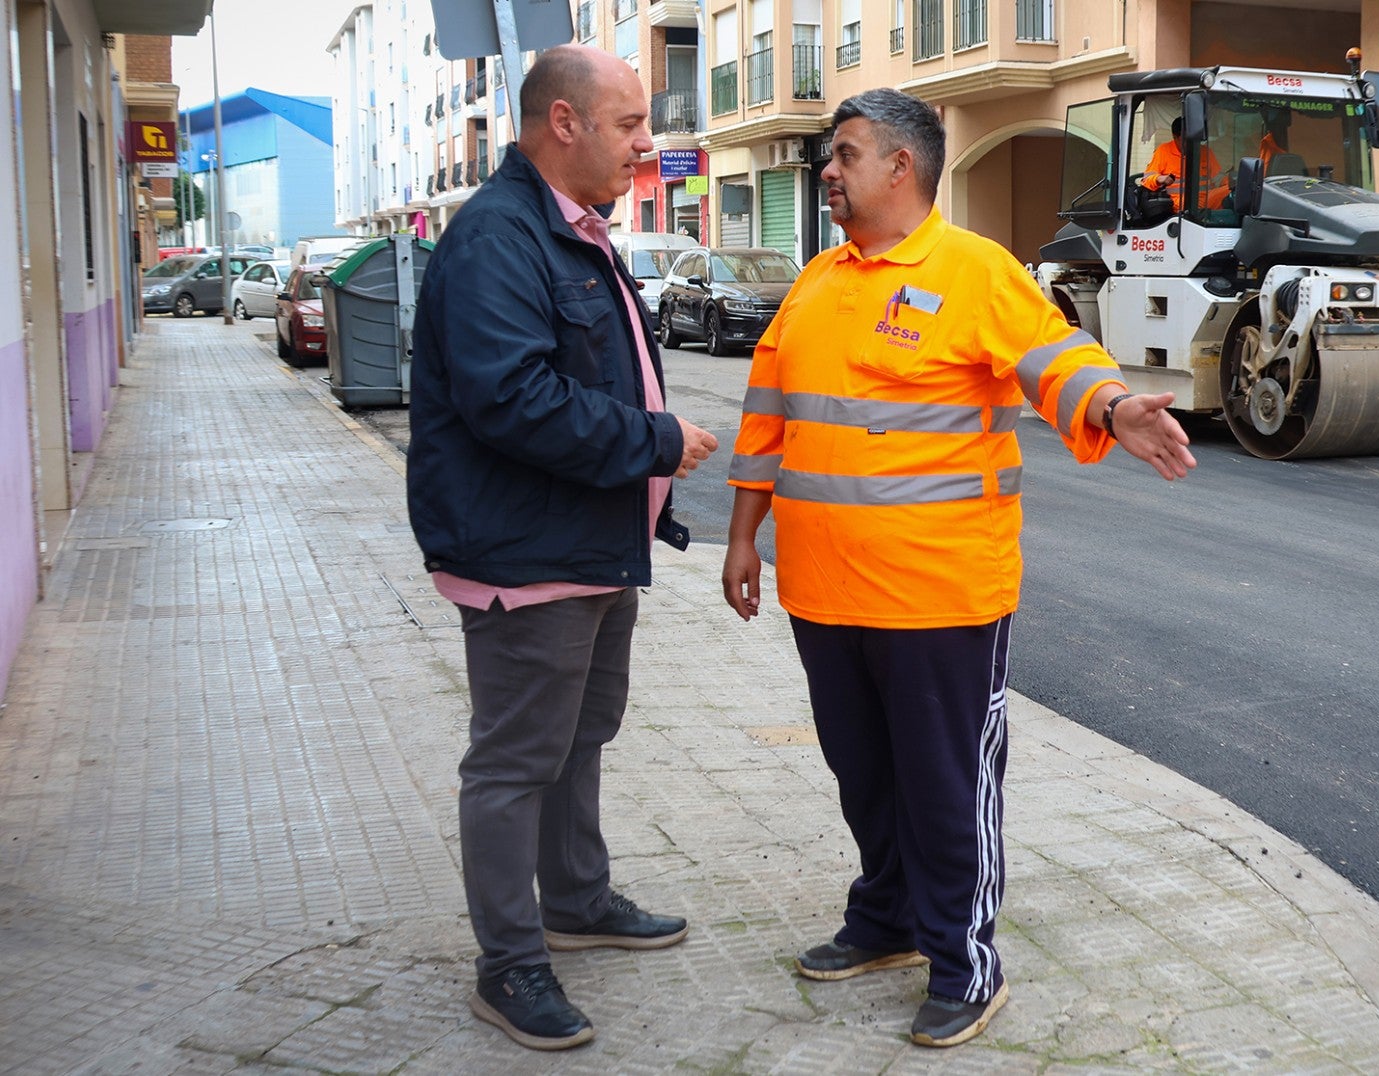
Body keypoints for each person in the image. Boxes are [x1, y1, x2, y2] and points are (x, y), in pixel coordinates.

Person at [720, 88, 1196, 1049]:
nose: (830, 169)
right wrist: (742, 536)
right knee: (864, 774)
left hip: (940, 597)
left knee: (945, 786)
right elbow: (767, 424)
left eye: (846, 153)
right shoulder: (817, 282)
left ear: (902, 166)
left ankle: (964, 961)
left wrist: (1109, 408)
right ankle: (887, 918)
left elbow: (1055, 358)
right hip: (825, 591)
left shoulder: (973, 270)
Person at [407, 45, 719, 1052]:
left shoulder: (569, 226)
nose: (648, 143)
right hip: (526, 552)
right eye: (630, 124)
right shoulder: (501, 237)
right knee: (515, 760)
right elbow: (513, 399)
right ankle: (510, 962)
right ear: (564, 123)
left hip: (588, 542)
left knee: (580, 735)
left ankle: (576, 898)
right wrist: (658, 441)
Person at [1141, 116, 1228, 211]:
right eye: (1187, 139)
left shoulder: (1205, 152)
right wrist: (1159, 178)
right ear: (1175, 137)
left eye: (1194, 139)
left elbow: (1218, 178)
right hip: (1179, 203)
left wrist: (1232, 181)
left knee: (1233, 191)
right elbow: (1146, 180)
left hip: (1206, 200)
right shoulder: (1163, 151)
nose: (1191, 143)